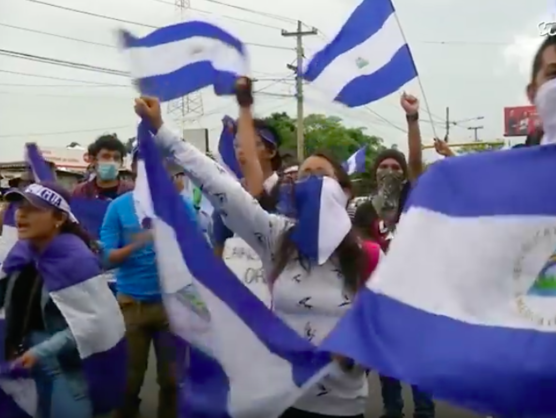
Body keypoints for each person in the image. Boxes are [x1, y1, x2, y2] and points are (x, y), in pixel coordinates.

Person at [135, 79, 372, 418]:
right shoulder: (277, 236)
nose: (311, 182)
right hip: (286, 401)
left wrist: (351, 351)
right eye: (304, 176)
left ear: (345, 191)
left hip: (345, 407)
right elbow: (220, 186)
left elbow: (388, 328)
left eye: (322, 175)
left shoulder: (368, 253)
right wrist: (163, 130)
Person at [0, 181, 124, 418]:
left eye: (33, 209)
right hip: (21, 360)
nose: (21, 214)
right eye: (19, 206)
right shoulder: (21, 254)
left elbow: (94, 324)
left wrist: (41, 351)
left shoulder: (77, 260)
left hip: (65, 368)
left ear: (58, 218)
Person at [351, 94, 435, 418]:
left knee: (418, 362)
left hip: (416, 296)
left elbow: (415, 162)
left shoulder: (413, 197)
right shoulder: (363, 209)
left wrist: (412, 120)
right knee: (387, 366)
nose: (389, 170)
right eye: (383, 166)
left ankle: (425, 411)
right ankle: (392, 410)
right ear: (374, 173)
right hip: (380, 298)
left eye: (395, 167)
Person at [100, 150, 197, 418]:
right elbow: (107, 259)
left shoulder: (180, 205)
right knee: (128, 381)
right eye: (142, 165)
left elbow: (197, 251)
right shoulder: (118, 207)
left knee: (171, 380)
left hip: (173, 306)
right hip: (131, 305)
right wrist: (139, 241)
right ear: (132, 169)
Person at [210, 111, 283, 257]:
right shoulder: (229, 196)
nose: (241, 150)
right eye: (237, 145)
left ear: (271, 151)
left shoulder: (289, 192)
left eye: (249, 143)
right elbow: (219, 248)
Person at [73, 134, 133, 200]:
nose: (111, 161)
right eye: (106, 156)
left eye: (116, 157)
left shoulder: (132, 193)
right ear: (93, 160)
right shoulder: (80, 192)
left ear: (121, 162)